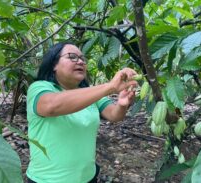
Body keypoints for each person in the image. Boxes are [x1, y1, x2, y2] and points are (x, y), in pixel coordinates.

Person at [26, 42, 138, 183]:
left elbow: (114, 115)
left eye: (82, 58)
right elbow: (51, 106)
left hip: (87, 177)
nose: (80, 61)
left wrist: (122, 104)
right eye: (72, 57)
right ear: (54, 64)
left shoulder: (90, 93)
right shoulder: (39, 88)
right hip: (47, 179)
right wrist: (110, 86)